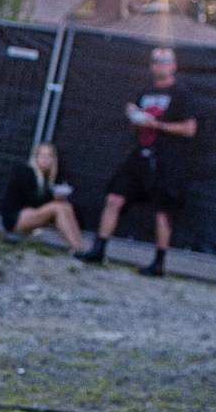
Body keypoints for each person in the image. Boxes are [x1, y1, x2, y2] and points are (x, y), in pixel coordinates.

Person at [77, 45, 199, 276]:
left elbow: (189, 129)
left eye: (163, 61)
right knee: (114, 198)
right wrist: (135, 116)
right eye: (155, 61)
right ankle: (99, 249)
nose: (159, 65)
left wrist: (157, 124)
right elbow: (136, 128)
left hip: (166, 160)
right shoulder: (145, 93)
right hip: (140, 155)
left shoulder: (182, 94)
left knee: (162, 210)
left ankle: (159, 263)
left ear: (173, 66)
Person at [0, 142, 83, 253]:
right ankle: (76, 249)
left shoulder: (46, 178)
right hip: (15, 218)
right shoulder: (26, 171)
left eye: (49, 156)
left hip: (29, 213)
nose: (45, 159)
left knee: (65, 206)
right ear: (36, 157)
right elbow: (32, 200)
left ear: (53, 160)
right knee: (57, 207)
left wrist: (56, 197)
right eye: (42, 155)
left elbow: (41, 202)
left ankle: (80, 246)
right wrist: (53, 196)